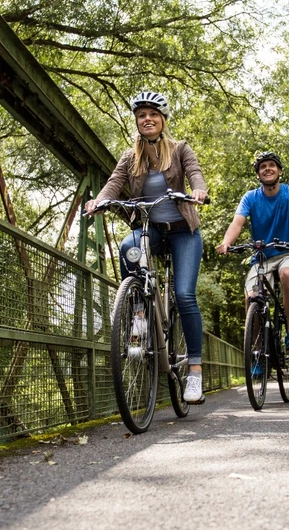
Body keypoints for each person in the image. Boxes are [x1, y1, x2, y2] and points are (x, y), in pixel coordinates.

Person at [85, 91, 209, 403]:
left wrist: (199, 190)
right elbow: (114, 182)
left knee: (183, 294)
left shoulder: (179, 149)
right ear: (137, 121)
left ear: (163, 119)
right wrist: (99, 200)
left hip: (183, 231)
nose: (147, 119)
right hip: (150, 229)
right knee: (129, 246)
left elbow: (194, 172)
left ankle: (194, 370)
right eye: (142, 115)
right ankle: (140, 312)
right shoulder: (131, 157)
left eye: (153, 114)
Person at [215, 151, 289, 369]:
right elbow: (237, 222)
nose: (267, 169)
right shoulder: (251, 197)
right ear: (258, 174)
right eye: (263, 167)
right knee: (252, 296)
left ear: (279, 171)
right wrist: (227, 242)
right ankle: (257, 351)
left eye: (272, 165)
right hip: (262, 257)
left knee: (287, 274)